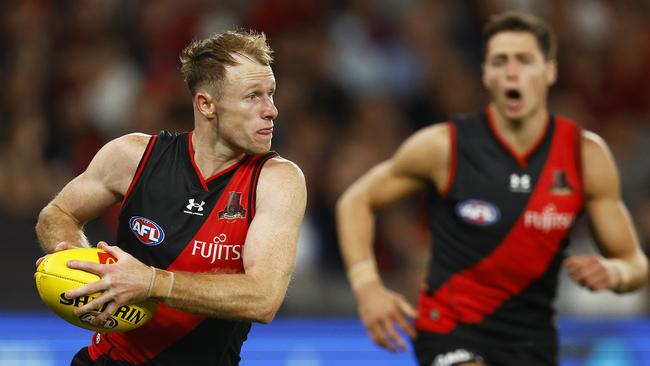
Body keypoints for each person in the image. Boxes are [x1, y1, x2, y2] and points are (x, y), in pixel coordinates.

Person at [336, 10, 648, 366]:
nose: (512, 72)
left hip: (533, 342)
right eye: (500, 61)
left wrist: (615, 273)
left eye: (525, 61)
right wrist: (367, 287)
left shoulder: (584, 156)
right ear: (486, 74)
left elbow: (635, 262)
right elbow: (356, 200)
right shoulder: (445, 148)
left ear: (550, 72)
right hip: (451, 331)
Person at [35, 30, 306, 365]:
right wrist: (78, 261)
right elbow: (58, 212)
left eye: (271, 94)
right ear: (206, 104)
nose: (272, 110)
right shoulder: (133, 157)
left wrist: (151, 282)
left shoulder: (277, 180)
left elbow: (263, 298)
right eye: (253, 96)